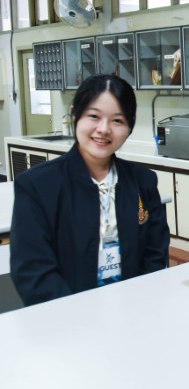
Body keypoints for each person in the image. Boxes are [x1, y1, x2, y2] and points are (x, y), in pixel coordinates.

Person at [10, 74, 170, 306]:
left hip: (133, 310)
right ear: (75, 115)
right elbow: (33, 270)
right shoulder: (37, 185)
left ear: (129, 126)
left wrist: (139, 303)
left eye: (117, 120)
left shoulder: (143, 180)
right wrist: (76, 315)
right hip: (65, 316)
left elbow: (155, 253)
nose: (103, 129)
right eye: (94, 116)